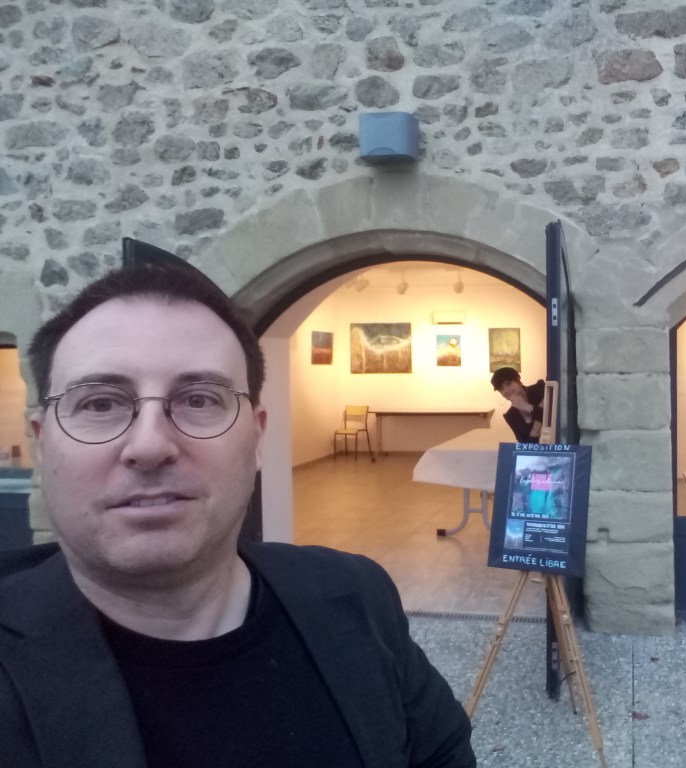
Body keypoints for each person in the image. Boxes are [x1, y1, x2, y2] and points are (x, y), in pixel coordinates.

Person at [0, 264, 475, 767]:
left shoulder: (357, 597)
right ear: (42, 439)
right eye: (99, 404)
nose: (150, 445)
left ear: (256, 437)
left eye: (200, 399)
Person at [490, 367, 544, 444]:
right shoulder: (510, 415)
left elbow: (554, 415)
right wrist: (536, 430)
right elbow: (525, 445)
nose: (506, 390)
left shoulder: (539, 389)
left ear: (518, 381)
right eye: (501, 388)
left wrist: (527, 407)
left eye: (508, 383)